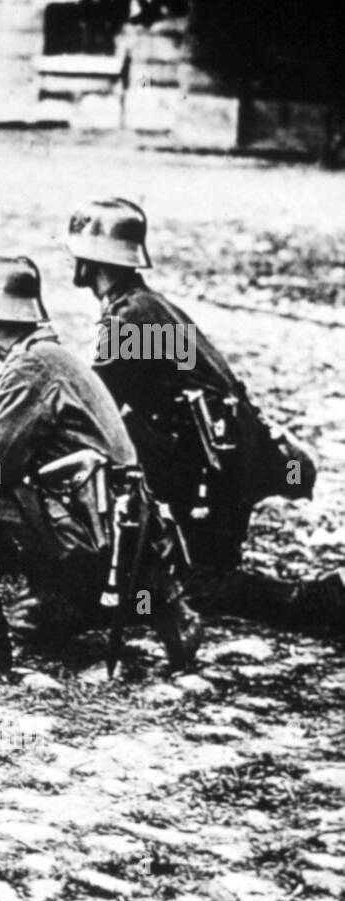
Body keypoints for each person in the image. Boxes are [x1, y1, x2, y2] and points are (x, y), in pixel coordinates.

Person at [0, 256, 200, 676]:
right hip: (125, 531)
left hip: (94, 536)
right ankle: (86, 606)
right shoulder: (49, 357)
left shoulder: (31, 367)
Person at [67, 197, 344, 627]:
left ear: (92, 260)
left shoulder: (130, 319)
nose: (74, 263)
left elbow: (89, 402)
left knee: (202, 585)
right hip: (224, 459)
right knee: (191, 568)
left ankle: (326, 600)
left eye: (78, 253)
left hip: (215, 470)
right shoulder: (145, 306)